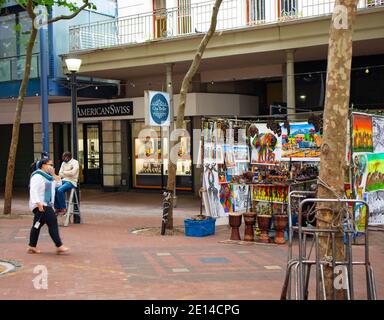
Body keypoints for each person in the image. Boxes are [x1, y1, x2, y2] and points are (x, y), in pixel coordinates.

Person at [28, 158, 69, 254]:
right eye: (50, 164)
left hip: (47, 204)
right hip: (40, 204)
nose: (52, 166)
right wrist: (38, 203)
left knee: (37, 225)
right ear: (43, 165)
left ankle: (31, 246)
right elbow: (33, 190)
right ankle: (59, 246)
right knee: (52, 222)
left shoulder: (48, 177)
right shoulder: (37, 176)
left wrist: (54, 174)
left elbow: (58, 184)